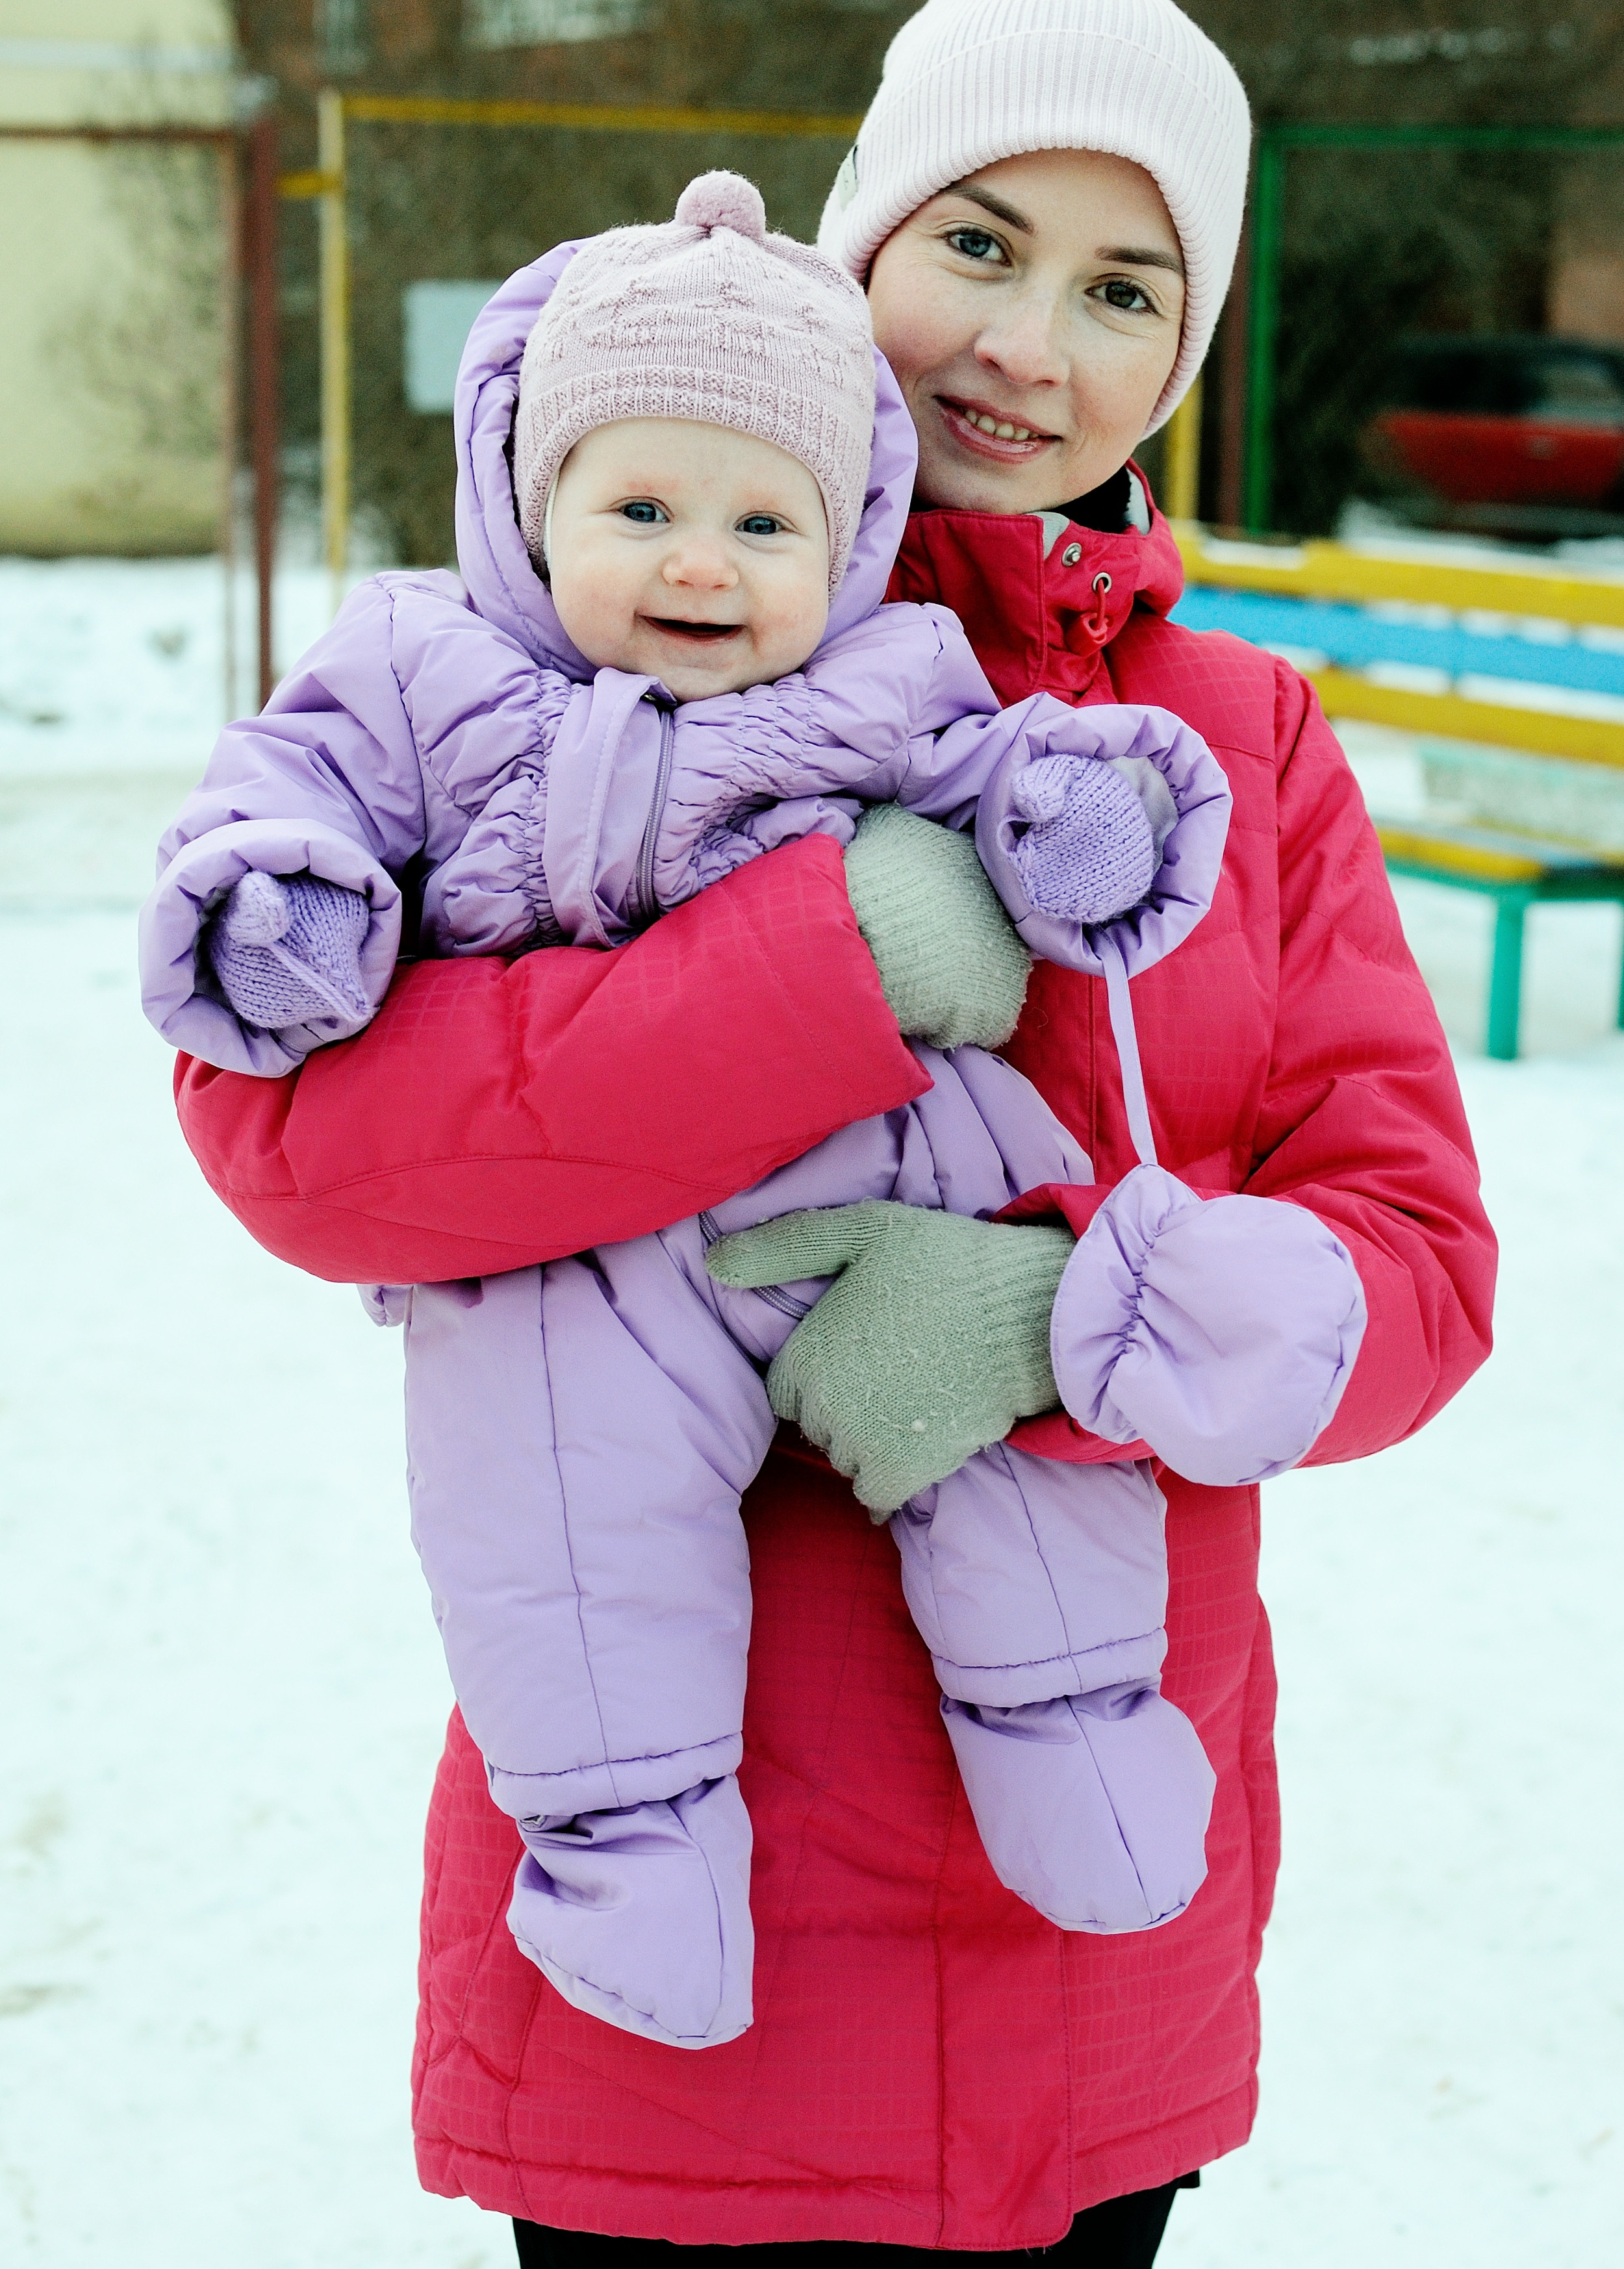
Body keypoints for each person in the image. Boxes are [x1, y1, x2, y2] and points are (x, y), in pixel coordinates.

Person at [165, 0, 1495, 2262]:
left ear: (1175, 355)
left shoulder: (1242, 741)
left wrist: (1072, 1322)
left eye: (1119, 286)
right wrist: (833, 974)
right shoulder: (556, 650)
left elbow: (1417, 1264)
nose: (1024, 344)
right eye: (974, 243)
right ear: (855, 237)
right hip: (679, 1940)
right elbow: (307, 1156)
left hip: (1086, 1928)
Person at [140, 165, 1316, 2047]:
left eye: (764, 521)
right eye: (639, 510)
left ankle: (1077, 1723)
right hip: (570, 1275)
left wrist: (1071, 836)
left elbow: (1005, 771)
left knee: (1004, 1483)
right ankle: (625, 1842)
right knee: (548, 1497)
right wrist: (287, 910)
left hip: (897, 1195)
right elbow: (291, 822)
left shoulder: (908, 671)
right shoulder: (423, 665)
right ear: (530, 510)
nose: (702, 563)